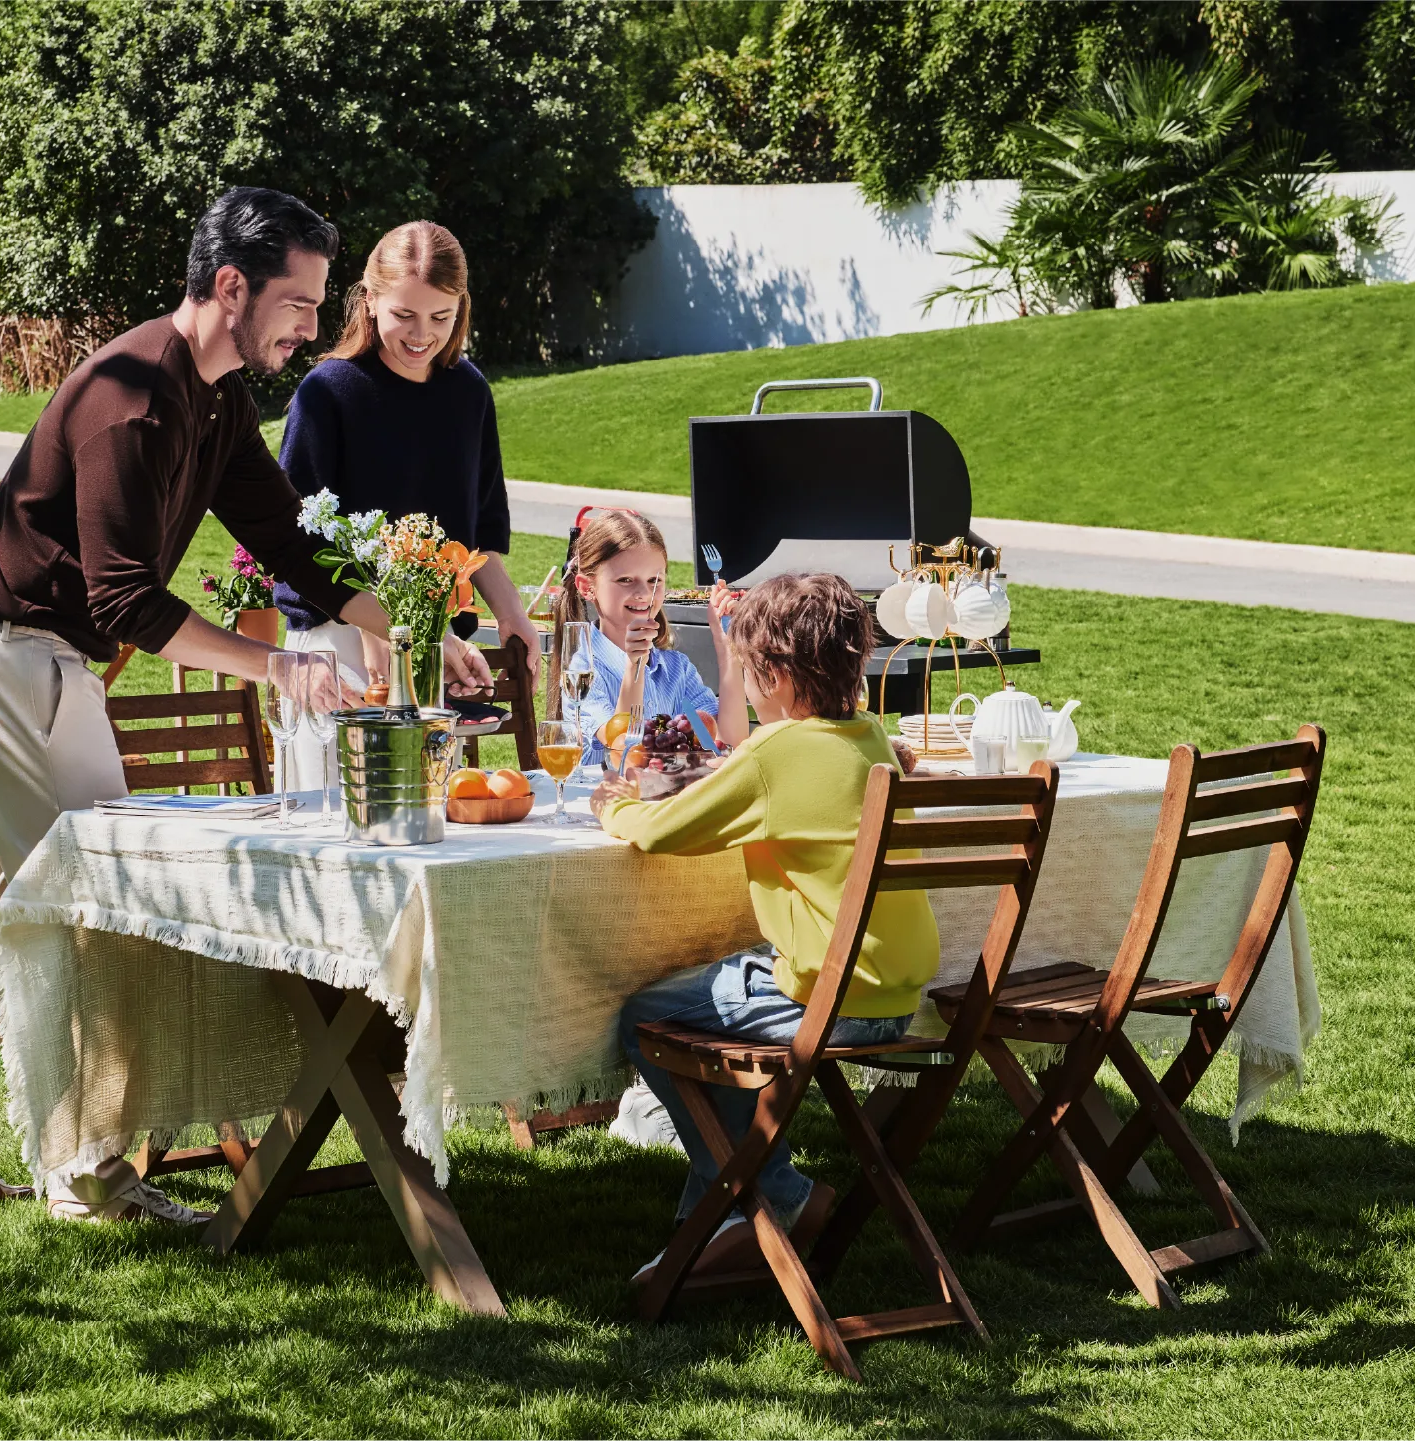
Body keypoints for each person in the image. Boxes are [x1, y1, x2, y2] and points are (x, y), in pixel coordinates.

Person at [0, 187, 489, 1227]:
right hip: (4, 659)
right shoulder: (135, 399)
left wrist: (418, 632)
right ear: (232, 286)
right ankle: (86, 1173)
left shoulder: (216, 398)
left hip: (29, 661)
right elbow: (123, 597)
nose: (310, 327)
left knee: (1, 907)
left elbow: (291, 541)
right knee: (89, 910)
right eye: (299, 303)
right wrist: (273, 666)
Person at [591, 573, 939, 1279]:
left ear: (773, 677)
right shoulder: (872, 737)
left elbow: (663, 831)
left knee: (647, 1016)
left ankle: (775, 1194)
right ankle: (718, 1221)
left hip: (828, 998)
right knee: (724, 980)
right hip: (898, 994)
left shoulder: (775, 751)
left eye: (748, 672)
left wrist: (613, 806)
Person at [275, 221, 543, 685]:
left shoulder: (469, 392)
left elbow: (480, 536)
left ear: (460, 307)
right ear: (370, 300)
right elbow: (298, 542)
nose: (422, 334)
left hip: (439, 643)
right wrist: (374, 630)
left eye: (441, 317)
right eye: (404, 314)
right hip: (337, 646)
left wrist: (511, 614)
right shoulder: (327, 393)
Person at [558, 508, 737, 766]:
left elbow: (728, 743)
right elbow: (624, 752)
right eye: (625, 580)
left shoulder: (677, 669)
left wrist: (728, 649)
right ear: (587, 587)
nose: (643, 593)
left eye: (654, 580)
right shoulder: (583, 671)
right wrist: (634, 665)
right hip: (606, 790)